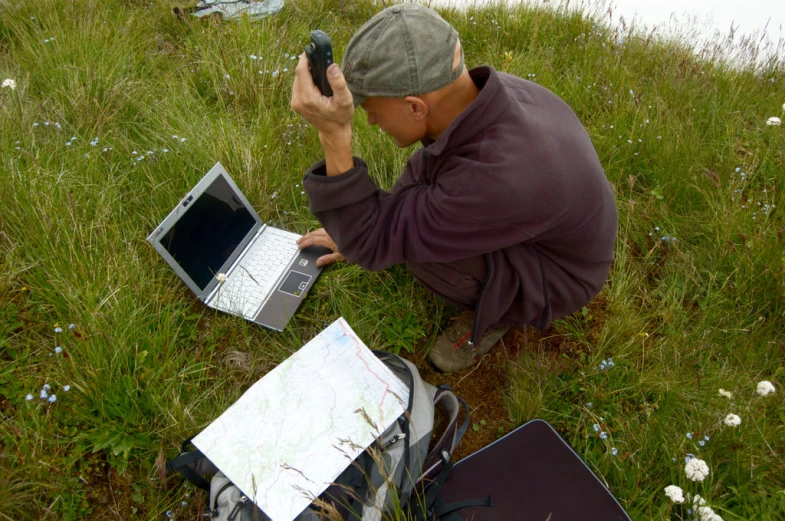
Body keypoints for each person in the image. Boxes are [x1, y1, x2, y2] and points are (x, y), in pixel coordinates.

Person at [290, 4, 617, 372]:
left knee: (419, 254)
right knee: (411, 221)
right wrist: (366, 226)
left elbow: (382, 241)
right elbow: (424, 177)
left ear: (415, 107)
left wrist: (334, 137)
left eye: (373, 109)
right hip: (554, 228)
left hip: (558, 276)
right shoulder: (479, 97)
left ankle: (500, 314)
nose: (370, 119)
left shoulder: (493, 180)